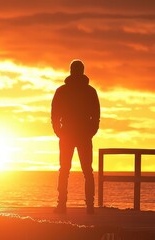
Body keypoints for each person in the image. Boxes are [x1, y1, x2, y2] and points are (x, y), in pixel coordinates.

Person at [51, 59, 100, 214]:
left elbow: (54, 114)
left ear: (71, 71)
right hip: (75, 135)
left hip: (73, 134)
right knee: (84, 171)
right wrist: (59, 131)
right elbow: (96, 116)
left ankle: (63, 205)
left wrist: (59, 131)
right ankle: (88, 206)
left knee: (66, 170)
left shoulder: (63, 91)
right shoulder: (89, 91)